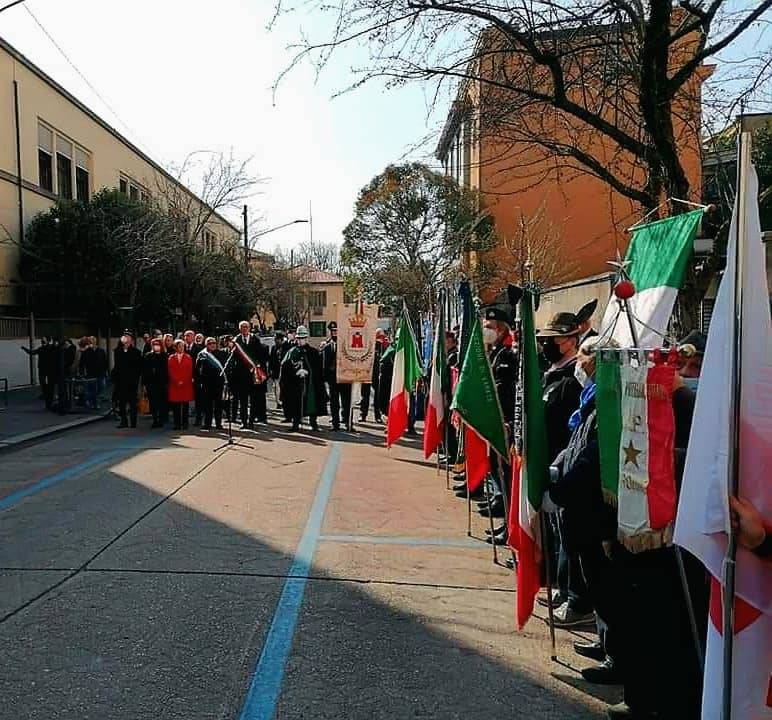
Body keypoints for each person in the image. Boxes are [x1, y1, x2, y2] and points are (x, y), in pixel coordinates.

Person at [535, 312, 590, 628]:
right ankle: (564, 588)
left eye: (553, 339)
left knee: (570, 536)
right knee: (557, 531)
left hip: (566, 465)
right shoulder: (551, 373)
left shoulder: (574, 379)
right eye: (545, 340)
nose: (547, 345)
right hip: (549, 462)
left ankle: (577, 599)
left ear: (570, 340)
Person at [476, 308, 518, 540]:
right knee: (496, 471)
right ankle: (506, 524)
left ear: (501, 329)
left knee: (507, 477)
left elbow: (507, 393)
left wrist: (506, 421)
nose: (486, 331)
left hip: (506, 425)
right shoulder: (496, 352)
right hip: (495, 423)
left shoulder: (509, 354)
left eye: (489, 327)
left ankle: (511, 530)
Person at [279, 325, 327, 432]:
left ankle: (313, 423)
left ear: (306, 338)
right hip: (295, 384)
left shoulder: (313, 352)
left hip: (311, 384)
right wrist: (295, 372)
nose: (301, 341)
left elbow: (318, 369)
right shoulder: (292, 352)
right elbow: (285, 367)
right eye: (299, 338)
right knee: (295, 403)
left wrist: (309, 372)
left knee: (312, 403)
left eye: (303, 338)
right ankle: (295, 424)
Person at [232, 320, 269, 428]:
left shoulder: (255, 339)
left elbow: (260, 355)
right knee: (243, 401)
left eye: (246, 327)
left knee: (254, 400)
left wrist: (257, 366)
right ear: (239, 329)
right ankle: (244, 422)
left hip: (253, 375)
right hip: (241, 375)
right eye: (242, 327)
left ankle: (251, 421)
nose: (244, 329)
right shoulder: (236, 340)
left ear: (249, 328)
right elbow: (234, 358)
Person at [321, 321, 352, 431]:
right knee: (334, 403)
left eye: (337, 331)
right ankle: (335, 423)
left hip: (345, 378)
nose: (335, 333)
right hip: (333, 379)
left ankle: (348, 422)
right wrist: (326, 379)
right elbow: (324, 364)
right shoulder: (327, 346)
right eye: (333, 331)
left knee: (347, 402)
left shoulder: (347, 345)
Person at [112, 331, 143, 428]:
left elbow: (139, 368)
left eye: (127, 336)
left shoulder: (136, 352)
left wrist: (136, 379)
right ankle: (123, 421)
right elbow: (117, 366)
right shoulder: (118, 351)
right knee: (122, 402)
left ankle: (133, 422)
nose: (125, 338)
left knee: (133, 402)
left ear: (131, 340)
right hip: (120, 381)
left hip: (132, 381)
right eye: (124, 336)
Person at [195, 337, 226, 430]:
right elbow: (197, 369)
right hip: (206, 383)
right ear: (206, 345)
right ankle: (207, 423)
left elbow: (225, 368)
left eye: (213, 343)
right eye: (209, 343)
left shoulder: (221, 354)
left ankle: (218, 423)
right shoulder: (202, 354)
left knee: (218, 405)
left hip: (218, 383)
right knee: (207, 405)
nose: (212, 345)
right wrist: (198, 381)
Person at [359, 328, 386, 423]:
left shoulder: (384, 347)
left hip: (378, 374)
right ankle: (363, 414)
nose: (380, 338)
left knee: (377, 396)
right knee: (364, 395)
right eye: (379, 336)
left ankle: (377, 415)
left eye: (382, 336)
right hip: (367, 372)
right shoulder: (368, 345)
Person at [21, 337, 57, 410]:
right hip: (43, 368)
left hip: (48, 369)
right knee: (44, 383)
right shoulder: (42, 348)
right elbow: (32, 352)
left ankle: (49, 398)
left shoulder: (50, 348)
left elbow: (32, 352)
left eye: (43, 340)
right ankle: (48, 397)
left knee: (49, 384)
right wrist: (24, 348)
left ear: (47, 341)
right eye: (42, 341)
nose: (42, 341)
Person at [168, 339, 194, 430]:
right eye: (179, 346)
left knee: (185, 405)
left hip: (185, 384)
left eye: (182, 346)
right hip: (175, 384)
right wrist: (177, 380)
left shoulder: (188, 357)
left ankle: (185, 423)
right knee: (176, 406)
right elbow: (170, 371)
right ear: (175, 347)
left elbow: (189, 370)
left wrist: (183, 380)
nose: (181, 348)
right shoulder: (171, 357)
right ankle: (177, 424)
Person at [142, 338, 168, 428]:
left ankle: (161, 419)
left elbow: (167, 371)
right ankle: (155, 419)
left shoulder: (165, 356)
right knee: (153, 402)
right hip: (151, 383)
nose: (156, 346)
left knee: (162, 402)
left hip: (162, 383)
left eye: (158, 344)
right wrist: (144, 384)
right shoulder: (148, 356)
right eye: (154, 344)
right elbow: (144, 371)